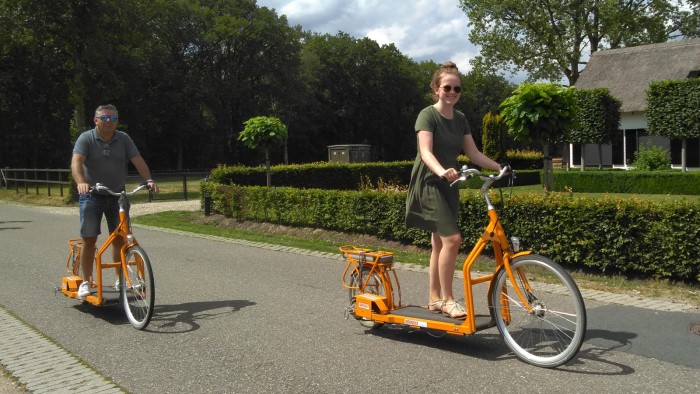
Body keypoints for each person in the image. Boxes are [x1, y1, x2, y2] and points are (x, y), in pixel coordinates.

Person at [405, 62, 502, 319]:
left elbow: (473, 153)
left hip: (449, 183)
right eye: (447, 87)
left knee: (439, 243)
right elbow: (425, 151)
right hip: (429, 182)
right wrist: (440, 171)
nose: (452, 92)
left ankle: (434, 299)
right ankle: (448, 299)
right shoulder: (428, 115)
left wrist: (500, 167)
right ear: (436, 89)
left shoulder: (460, 119)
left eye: (456, 88)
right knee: (452, 239)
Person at [71, 104, 159, 300]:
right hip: (92, 194)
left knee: (120, 238)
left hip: (117, 195)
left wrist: (149, 180)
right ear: (96, 120)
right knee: (89, 238)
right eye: (104, 118)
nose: (109, 121)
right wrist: (81, 182)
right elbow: (76, 161)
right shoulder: (86, 138)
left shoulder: (124, 139)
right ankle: (86, 281)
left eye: (113, 118)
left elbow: (138, 160)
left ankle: (120, 279)